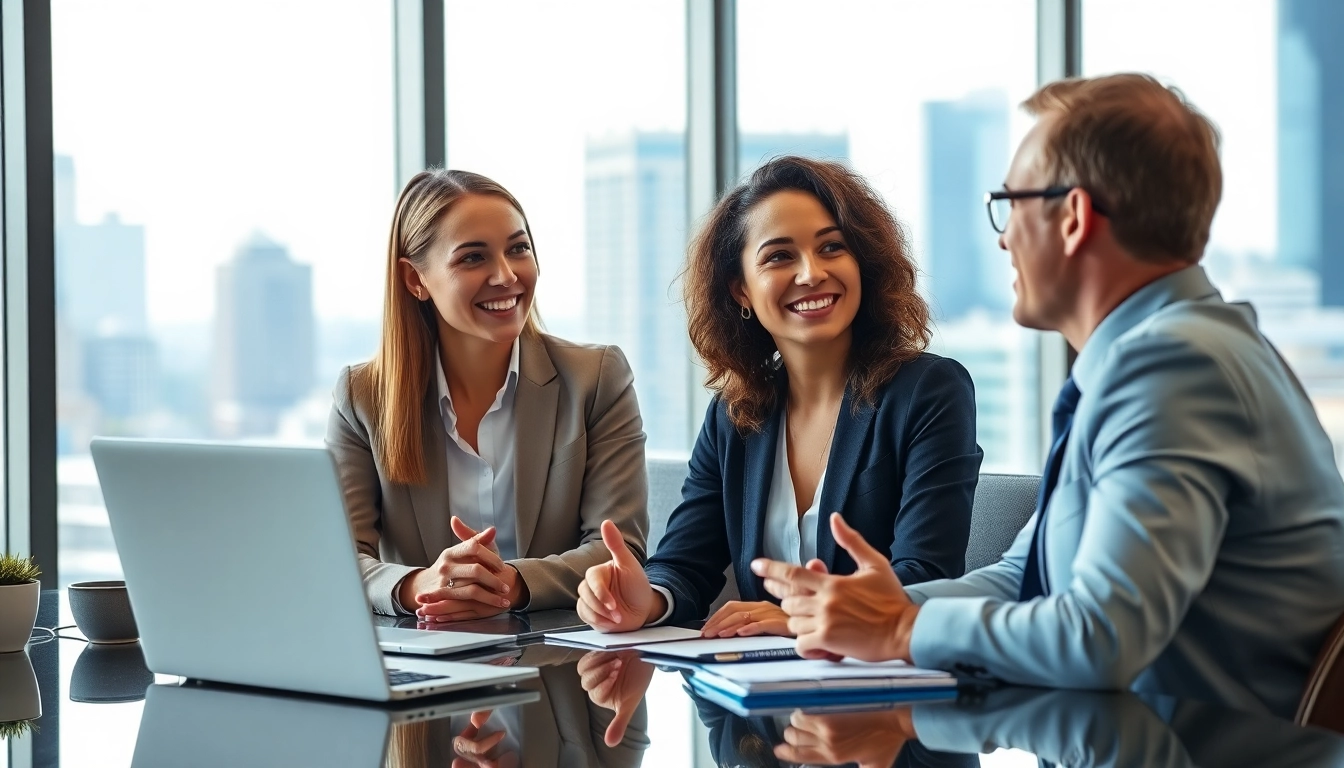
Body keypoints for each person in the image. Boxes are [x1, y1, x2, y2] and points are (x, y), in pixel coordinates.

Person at [754, 74, 1344, 719]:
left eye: (1012, 202)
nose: (1003, 236)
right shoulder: (1152, 358)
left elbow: (1102, 638)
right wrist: (877, 608)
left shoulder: (1174, 367)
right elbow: (1023, 577)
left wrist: (899, 632)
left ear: (1072, 218)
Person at [577, 156, 982, 636]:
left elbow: (927, 574)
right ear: (741, 290)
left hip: (882, 693)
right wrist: (647, 598)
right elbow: (684, 564)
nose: (811, 273)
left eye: (832, 247)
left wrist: (798, 618)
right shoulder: (734, 415)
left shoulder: (928, 392)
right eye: (779, 256)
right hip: (761, 696)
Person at [327, 169, 648, 621]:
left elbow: (618, 550)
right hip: (427, 667)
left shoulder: (596, 379)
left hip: (565, 667)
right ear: (415, 279)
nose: (505, 275)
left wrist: (508, 584)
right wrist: (418, 585)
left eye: (518, 249)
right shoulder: (362, 398)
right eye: (473, 258)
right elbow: (337, 561)